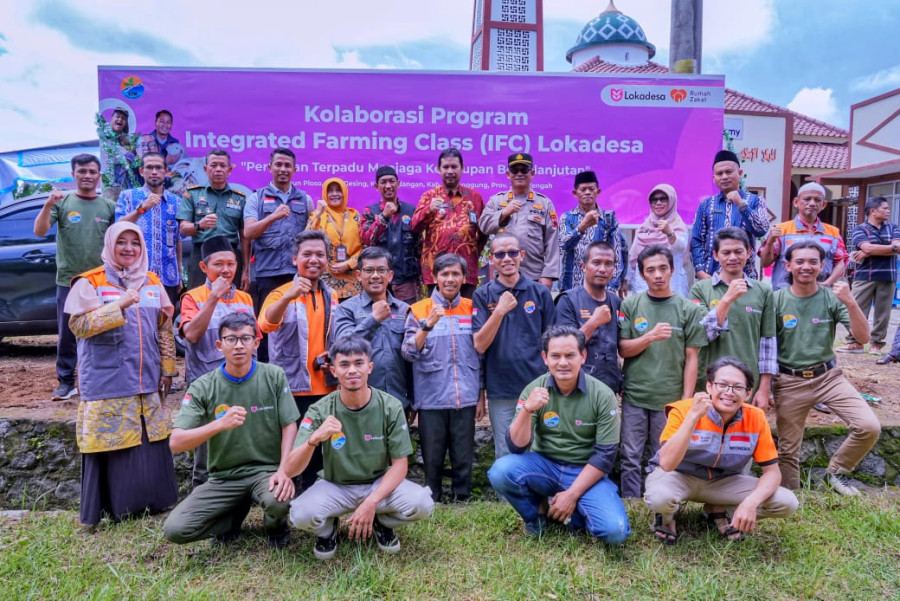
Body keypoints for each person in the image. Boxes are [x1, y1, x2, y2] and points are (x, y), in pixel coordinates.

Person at [64, 222, 178, 525]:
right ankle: (116, 509)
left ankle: (155, 502)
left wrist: (168, 371)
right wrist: (120, 304)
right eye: (122, 242)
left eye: (135, 243)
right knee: (113, 447)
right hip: (108, 380)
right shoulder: (90, 282)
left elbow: (164, 329)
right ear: (110, 246)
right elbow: (79, 326)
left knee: (149, 443)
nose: (129, 248)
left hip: (147, 381)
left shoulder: (152, 281)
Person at [286, 338, 434, 560]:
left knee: (422, 504)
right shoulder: (320, 409)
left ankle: (380, 522)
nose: (352, 370)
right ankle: (328, 531)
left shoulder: (390, 406)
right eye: (344, 365)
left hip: (378, 485)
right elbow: (290, 469)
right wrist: (313, 439)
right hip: (336, 485)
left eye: (359, 363)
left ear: (370, 367)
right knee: (300, 514)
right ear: (334, 371)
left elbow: (400, 466)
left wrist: (371, 502)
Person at [163, 312, 298, 548]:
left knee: (278, 501)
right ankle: (229, 520)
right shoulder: (203, 386)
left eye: (246, 339)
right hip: (223, 478)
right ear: (219, 345)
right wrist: (219, 424)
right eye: (231, 339)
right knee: (176, 529)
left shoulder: (273, 376)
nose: (239, 345)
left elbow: (289, 424)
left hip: (265, 472)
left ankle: (276, 526)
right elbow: (177, 442)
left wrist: (284, 470)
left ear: (256, 343)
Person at [487, 325, 630, 543]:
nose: (562, 362)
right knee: (501, 471)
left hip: (585, 470)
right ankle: (537, 517)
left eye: (570, 355)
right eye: (555, 356)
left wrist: (572, 495)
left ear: (583, 356)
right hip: (544, 467)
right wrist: (528, 410)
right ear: (545, 358)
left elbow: (605, 456)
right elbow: (516, 446)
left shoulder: (602, 394)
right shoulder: (535, 389)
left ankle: (574, 514)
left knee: (614, 532)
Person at [644, 357, 798, 544]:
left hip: (723, 482)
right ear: (709, 387)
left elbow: (772, 473)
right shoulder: (683, 410)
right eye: (722, 385)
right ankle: (666, 518)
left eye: (737, 387)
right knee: (661, 498)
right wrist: (693, 417)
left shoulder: (755, 418)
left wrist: (750, 503)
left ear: (748, 393)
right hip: (678, 476)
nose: (729, 392)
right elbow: (667, 464)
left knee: (787, 502)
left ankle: (720, 509)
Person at [773, 241, 881, 495]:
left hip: (829, 377)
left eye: (813, 262)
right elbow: (765, 346)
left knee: (868, 426)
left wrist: (851, 302)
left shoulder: (831, 298)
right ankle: (792, 495)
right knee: (788, 449)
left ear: (823, 266)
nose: (806, 267)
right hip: (789, 381)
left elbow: (863, 338)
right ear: (788, 266)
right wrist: (765, 385)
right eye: (799, 261)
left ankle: (836, 473)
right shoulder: (776, 300)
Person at [618, 245, 707, 498]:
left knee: (664, 455)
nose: (657, 274)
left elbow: (692, 358)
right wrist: (649, 337)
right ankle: (631, 502)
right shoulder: (631, 305)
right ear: (642, 274)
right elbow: (623, 350)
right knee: (630, 455)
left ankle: (658, 502)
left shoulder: (688, 309)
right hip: (635, 395)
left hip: (670, 400)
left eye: (662, 268)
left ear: (672, 269)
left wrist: (686, 400)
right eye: (650, 270)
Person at [259, 230, 338, 492]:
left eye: (320, 255)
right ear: (295, 259)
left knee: (316, 452)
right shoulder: (279, 293)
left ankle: (312, 502)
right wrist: (288, 296)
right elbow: (266, 324)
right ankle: (283, 500)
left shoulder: (333, 296)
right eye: (307, 254)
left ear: (327, 260)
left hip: (325, 388)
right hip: (291, 388)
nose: (313, 260)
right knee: (290, 450)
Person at [33, 154, 116, 401]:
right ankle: (66, 382)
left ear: (99, 175)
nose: (87, 176)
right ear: (73, 174)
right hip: (69, 280)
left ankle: (102, 380)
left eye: (92, 171)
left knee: (102, 330)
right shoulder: (62, 202)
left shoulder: (108, 207)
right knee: (68, 334)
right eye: (82, 171)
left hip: (101, 281)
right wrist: (48, 204)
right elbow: (39, 231)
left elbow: (116, 240)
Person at [403, 254, 483, 502]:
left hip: (465, 396)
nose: (450, 279)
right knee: (432, 456)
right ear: (434, 277)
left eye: (455, 274)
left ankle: (463, 497)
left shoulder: (472, 308)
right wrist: (427, 325)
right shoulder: (418, 310)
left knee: (463, 454)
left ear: (464, 277)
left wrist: (481, 395)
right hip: (431, 396)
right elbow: (408, 352)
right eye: (444, 274)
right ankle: (431, 499)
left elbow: (482, 355)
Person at [180, 236, 257, 488]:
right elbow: (191, 335)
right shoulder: (192, 297)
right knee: (207, 445)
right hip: (207, 383)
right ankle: (201, 494)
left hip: (242, 380)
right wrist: (213, 297)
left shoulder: (245, 299)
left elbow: (256, 340)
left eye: (231, 264)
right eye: (218, 264)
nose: (226, 270)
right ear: (204, 267)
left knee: (242, 437)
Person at [473, 232, 555, 458]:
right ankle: (507, 495)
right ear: (492, 258)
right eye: (500, 254)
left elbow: (553, 343)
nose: (507, 258)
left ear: (522, 255)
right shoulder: (483, 295)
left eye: (512, 252)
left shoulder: (540, 292)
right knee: (506, 450)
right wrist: (498, 311)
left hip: (537, 386)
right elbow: (479, 345)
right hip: (502, 389)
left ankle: (537, 494)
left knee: (540, 448)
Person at [690, 228, 776, 407]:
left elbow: (768, 343)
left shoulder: (763, 291)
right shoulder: (700, 289)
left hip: (747, 383)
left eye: (738, 251)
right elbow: (702, 334)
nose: (733, 257)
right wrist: (727, 298)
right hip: (710, 382)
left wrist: (764, 388)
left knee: (743, 433)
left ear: (749, 252)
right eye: (726, 252)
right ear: (715, 255)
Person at [242, 148, 314, 361]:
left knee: (299, 322)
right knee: (266, 324)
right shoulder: (256, 198)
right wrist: (272, 217)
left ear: (295, 169)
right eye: (279, 165)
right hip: (268, 274)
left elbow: (311, 235)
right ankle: (266, 367)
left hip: (298, 275)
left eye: (287, 166)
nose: (283, 169)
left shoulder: (305, 199)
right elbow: (248, 232)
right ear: (270, 168)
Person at [334, 247, 412, 410]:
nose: (375, 276)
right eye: (369, 270)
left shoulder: (404, 310)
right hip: (359, 402)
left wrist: (413, 398)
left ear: (390, 275)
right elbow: (342, 346)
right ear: (359, 275)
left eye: (381, 270)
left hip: (398, 401)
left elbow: (411, 359)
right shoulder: (346, 309)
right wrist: (374, 319)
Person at [411, 148, 485, 299]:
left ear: (462, 168)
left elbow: (484, 231)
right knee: (437, 316)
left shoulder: (475, 197)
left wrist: (472, 252)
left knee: (465, 316)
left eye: (454, 167)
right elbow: (414, 227)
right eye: (445, 167)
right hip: (436, 270)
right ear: (439, 169)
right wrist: (429, 210)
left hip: (466, 269)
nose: (450, 171)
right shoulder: (429, 196)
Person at [479, 153, 560, 289]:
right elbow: (483, 226)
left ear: (532, 173)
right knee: (505, 309)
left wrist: (548, 274)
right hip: (504, 273)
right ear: (508, 174)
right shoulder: (497, 201)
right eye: (515, 170)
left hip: (534, 275)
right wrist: (504, 213)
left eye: (524, 170)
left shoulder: (544, 203)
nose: (519, 174)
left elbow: (552, 241)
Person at [555, 242, 624, 394]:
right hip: (576, 387)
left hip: (608, 388)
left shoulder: (616, 303)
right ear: (583, 266)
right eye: (596, 263)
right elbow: (564, 347)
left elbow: (620, 347)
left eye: (608, 264)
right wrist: (593, 322)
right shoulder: (567, 300)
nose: (602, 269)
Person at [177, 149, 250, 291]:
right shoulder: (192, 194)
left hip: (230, 255)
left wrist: (247, 269)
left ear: (229, 170)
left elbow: (245, 237)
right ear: (205, 169)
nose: (218, 169)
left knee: (231, 301)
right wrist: (199, 225)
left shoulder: (239, 198)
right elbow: (183, 228)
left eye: (222, 166)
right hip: (201, 254)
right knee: (198, 299)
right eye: (213, 165)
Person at [115, 152, 183, 305]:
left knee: (166, 324)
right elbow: (117, 227)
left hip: (168, 276)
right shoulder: (128, 197)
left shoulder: (176, 201)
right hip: (135, 277)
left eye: (158, 168)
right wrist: (142, 209)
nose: (154, 172)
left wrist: (179, 274)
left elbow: (178, 240)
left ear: (166, 172)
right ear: (141, 171)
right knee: (139, 324)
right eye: (149, 167)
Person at [691, 150, 769, 280]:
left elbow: (761, 230)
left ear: (740, 174)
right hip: (711, 278)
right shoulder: (706, 204)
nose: (724, 177)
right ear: (714, 178)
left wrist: (741, 204)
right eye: (719, 173)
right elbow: (696, 239)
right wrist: (700, 270)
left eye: (728, 172)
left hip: (745, 279)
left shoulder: (755, 201)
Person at [759, 182, 847, 292]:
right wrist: (770, 242)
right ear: (796, 202)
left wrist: (827, 283)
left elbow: (840, 262)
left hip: (822, 294)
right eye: (807, 199)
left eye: (817, 200)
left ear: (824, 205)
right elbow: (765, 263)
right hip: (785, 295)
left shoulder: (833, 233)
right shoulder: (781, 230)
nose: (812, 203)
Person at [843, 196, 900, 356]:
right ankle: (855, 342)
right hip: (864, 275)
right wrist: (890, 248)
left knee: (883, 312)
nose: (888, 211)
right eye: (885, 208)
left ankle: (877, 344)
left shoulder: (893, 227)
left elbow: (898, 247)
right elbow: (866, 248)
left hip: (887, 275)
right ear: (873, 211)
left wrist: (871, 250)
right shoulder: (859, 229)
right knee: (857, 308)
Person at [360, 165, 422, 305]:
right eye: (383, 182)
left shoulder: (411, 210)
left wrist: (420, 278)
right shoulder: (370, 211)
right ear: (376, 186)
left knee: (406, 319)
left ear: (398, 184)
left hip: (406, 279)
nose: (388, 186)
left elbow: (419, 246)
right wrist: (383, 217)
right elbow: (367, 240)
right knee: (378, 319)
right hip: (377, 278)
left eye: (392, 181)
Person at [559, 170, 626, 294]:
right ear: (575, 193)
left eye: (591, 189)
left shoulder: (609, 218)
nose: (587, 192)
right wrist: (581, 227)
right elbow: (563, 245)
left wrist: (611, 288)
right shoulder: (567, 217)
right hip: (571, 285)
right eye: (583, 189)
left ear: (598, 192)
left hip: (601, 287)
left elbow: (616, 254)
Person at [629, 184, 690, 297]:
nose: (658, 203)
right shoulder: (644, 227)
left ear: (671, 201)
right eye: (654, 200)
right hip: (643, 285)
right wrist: (627, 279)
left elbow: (680, 248)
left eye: (663, 198)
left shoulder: (678, 226)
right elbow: (633, 256)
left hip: (671, 284)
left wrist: (670, 233)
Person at [306, 177, 362, 301]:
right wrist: (318, 214)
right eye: (330, 191)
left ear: (344, 193)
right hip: (324, 284)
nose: (334, 194)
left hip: (352, 286)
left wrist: (349, 263)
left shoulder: (355, 216)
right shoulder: (317, 215)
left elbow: (365, 246)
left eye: (338, 190)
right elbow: (305, 241)